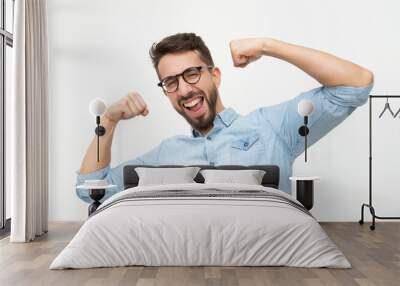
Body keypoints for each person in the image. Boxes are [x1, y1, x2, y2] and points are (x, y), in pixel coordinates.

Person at [76, 33, 374, 203]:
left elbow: (356, 84)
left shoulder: (271, 127)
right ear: (166, 92)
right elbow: (91, 189)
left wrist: (268, 46)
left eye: (192, 73)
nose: (184, 89)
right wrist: (110, 121)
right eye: (171, 82)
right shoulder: (166, 154)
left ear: (215, 75)